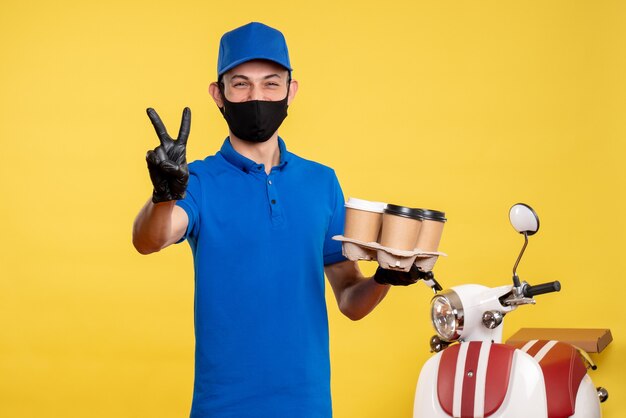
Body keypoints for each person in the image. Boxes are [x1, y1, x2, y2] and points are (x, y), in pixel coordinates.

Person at [132, 22, 421, 418]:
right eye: (240, 84)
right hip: (223, 407)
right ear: (218, 94)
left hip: (308, 405)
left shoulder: (322, 182)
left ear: (291, 90)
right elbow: (151, 239)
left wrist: (385, 279)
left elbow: (350, 300)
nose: (256, 96)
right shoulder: (197, 180)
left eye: (270, 84)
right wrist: (163, 196)